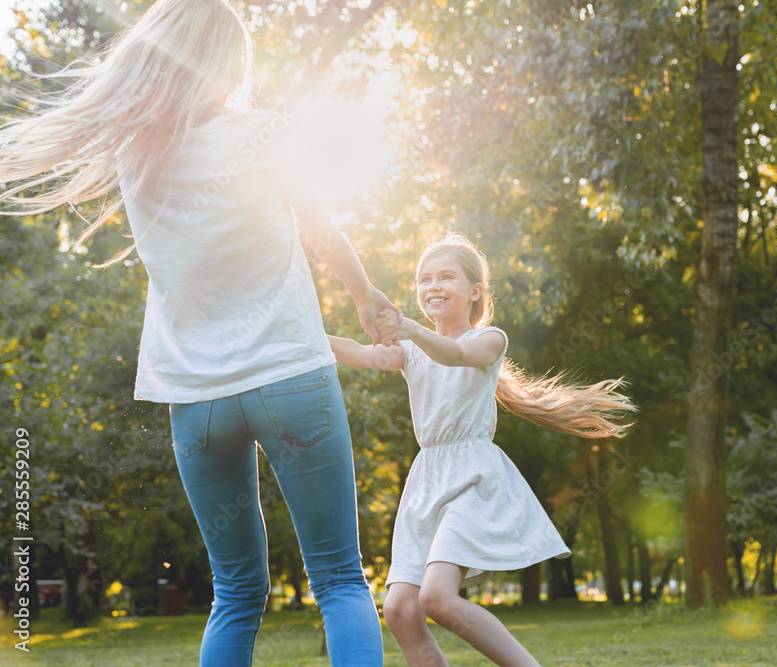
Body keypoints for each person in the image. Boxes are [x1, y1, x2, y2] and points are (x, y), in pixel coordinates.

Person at [0, 1, 392, 664]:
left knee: (236, 591)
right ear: (226, 63)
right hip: (291, 375)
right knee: (340, 579)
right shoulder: (265, 132)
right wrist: (366, 295)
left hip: (196, 401)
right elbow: (325, 232)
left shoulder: (133, 156)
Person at [328, 234, 635, 666]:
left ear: (475, 291)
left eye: (446, 277)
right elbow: (362, 353)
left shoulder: (490, 339)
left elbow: (454, 355)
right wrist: (305, 336)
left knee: (437, 598)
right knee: (399, 609)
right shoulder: (411, 351)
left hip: (471, 477)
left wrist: (410, 328)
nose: (433, 286)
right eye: (425, 278)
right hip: (427, 480)